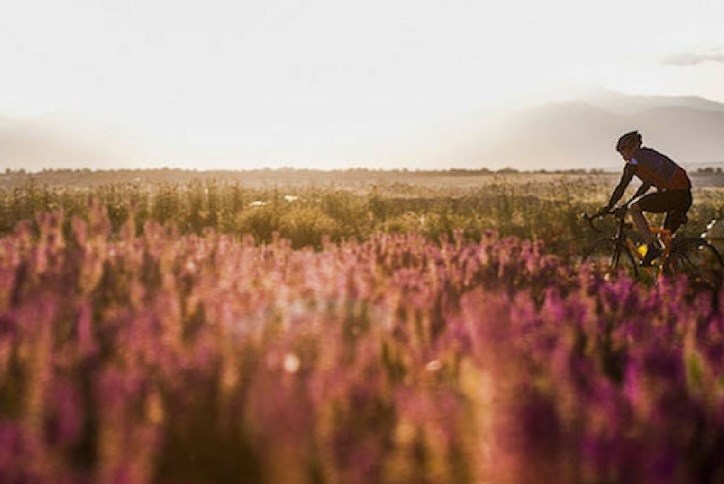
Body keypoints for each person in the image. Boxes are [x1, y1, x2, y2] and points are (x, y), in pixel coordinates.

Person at [601, 130, 692, 266]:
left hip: (675, 194)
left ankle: (651, 246)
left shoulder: (636, 160)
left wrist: (610, 206)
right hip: (684, 196)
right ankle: (674, 275)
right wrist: (624, 203)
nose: (623, 157)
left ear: (633, 148)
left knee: (635, 208)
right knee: (665, 239)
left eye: (623, 152)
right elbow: (646, 184)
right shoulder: (648, 156)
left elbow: (623, 186)